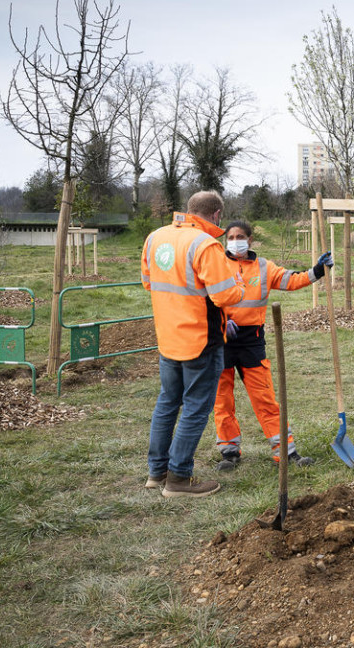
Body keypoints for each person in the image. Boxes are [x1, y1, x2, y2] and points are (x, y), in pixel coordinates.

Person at [141, 191, 245, 498]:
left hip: (168, 337)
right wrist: (238, 284)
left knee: (167, 403)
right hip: (201, 340)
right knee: (197, 408)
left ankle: (157, 472)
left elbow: (149, 281)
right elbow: (224, 295)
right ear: (215, 215)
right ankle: (178, 479)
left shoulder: (156, 238)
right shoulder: (205, 244)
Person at [214, 220, 334, 471]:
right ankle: (229, 451)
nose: (235, 240)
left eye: (240, 236)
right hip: (220, 339)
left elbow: (292, 280)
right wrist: (220, 323)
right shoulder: (216, 264)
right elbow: (204, 299)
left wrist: (318, 271)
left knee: (265, 398)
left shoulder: (264, 267)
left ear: (250, 240)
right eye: (231, 236)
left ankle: (287, 452)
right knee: (222, 400)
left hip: (251, 341)